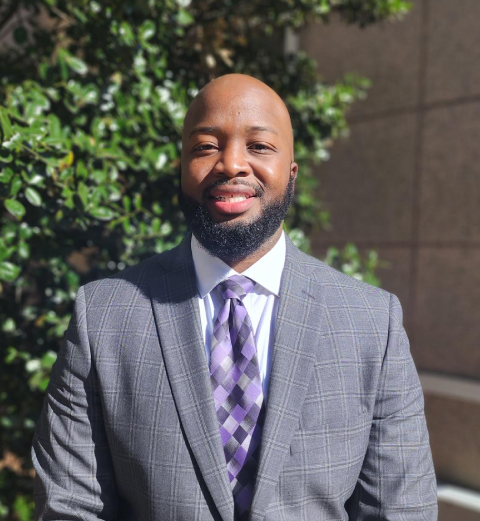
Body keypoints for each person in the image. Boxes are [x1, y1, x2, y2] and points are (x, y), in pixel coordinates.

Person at [32, 74, 438, 521]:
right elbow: (71, 507)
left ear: (292, 172)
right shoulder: (103, 316)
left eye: (259, 146)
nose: (231, 164)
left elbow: (400, 509)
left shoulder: (371, 323)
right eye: (206, 146)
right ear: (181, 168)